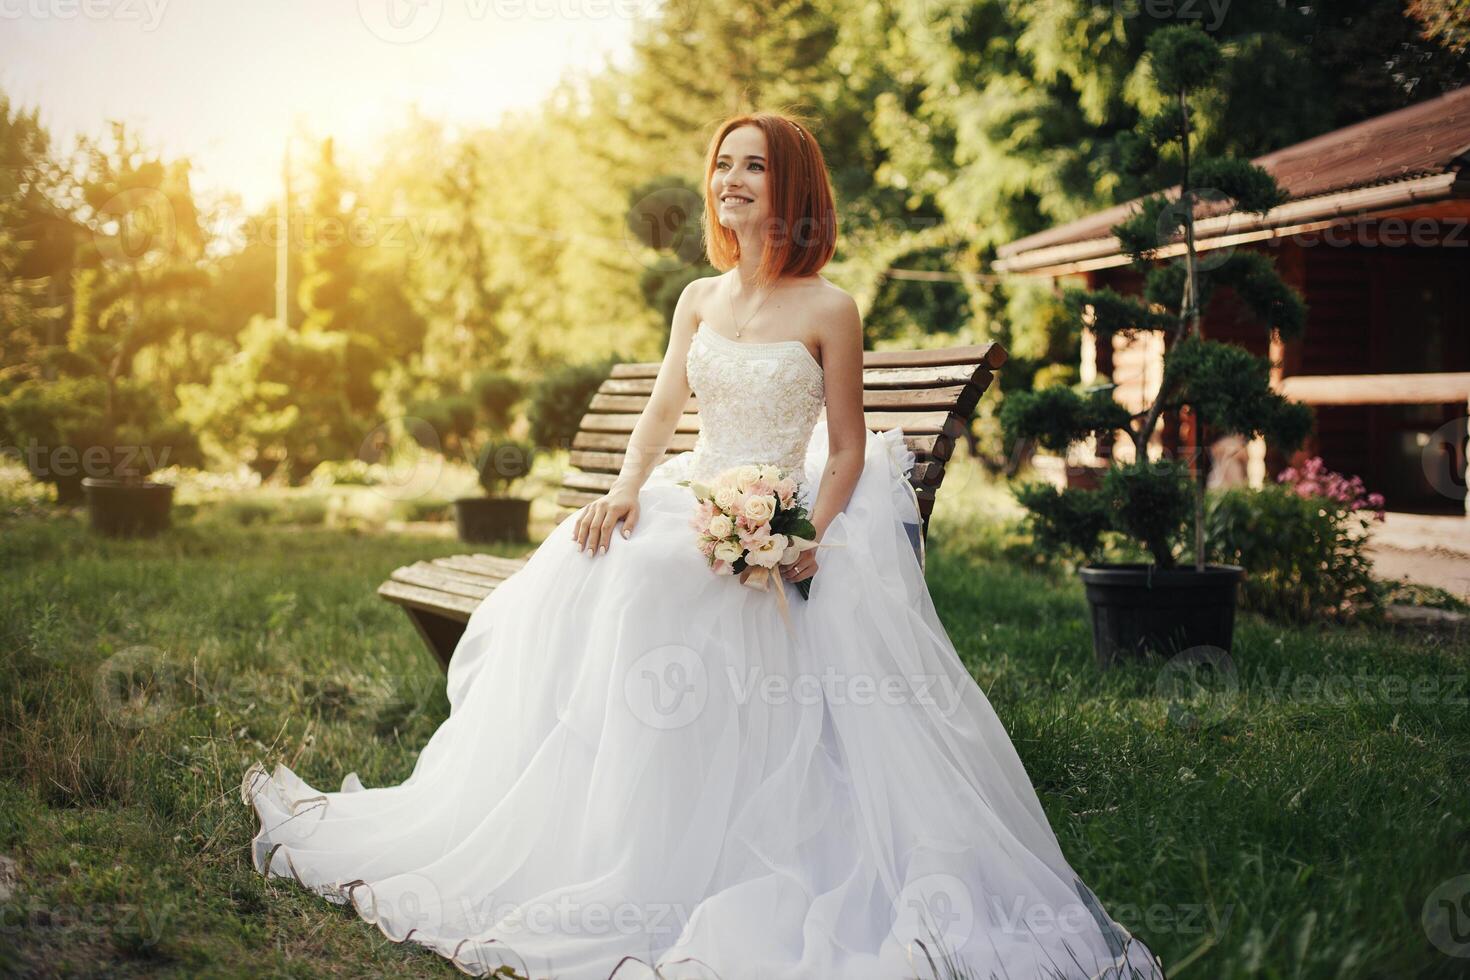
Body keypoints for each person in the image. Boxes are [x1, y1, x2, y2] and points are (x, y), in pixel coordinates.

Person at [243, 111, 1167, 980]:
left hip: (778, 504)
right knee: (593, 551)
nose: (730, 180)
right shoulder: (697, 298)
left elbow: (846, 450)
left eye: (753, 166)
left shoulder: (829, 309)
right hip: (701, 484)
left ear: (792, 191)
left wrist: (807, 532)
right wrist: (621, 489)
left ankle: (667, 844)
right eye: (722, 164)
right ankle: (580, 826)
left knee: (652, 578)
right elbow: (657, 422)